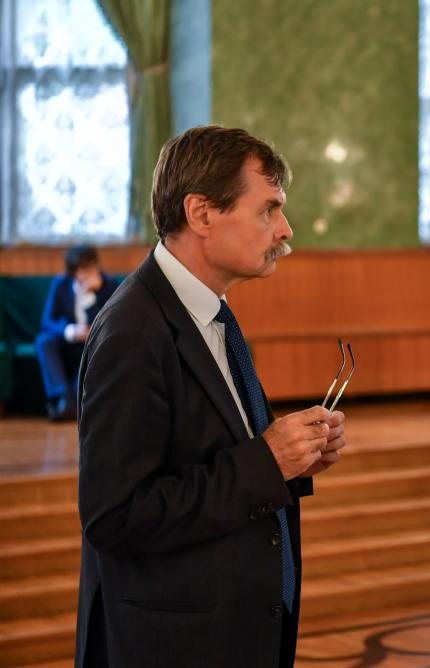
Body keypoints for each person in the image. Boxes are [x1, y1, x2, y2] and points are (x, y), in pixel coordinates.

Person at [74, 126, 347, 668]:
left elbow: (214, 453)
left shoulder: (210, 312)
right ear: (201, 213)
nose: (285, 229)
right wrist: (268, 460)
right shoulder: (133, 332)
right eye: (268, 210)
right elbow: (116, 516)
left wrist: (294, 460)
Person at [35, 245, 117, 420]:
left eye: (91, 267)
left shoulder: (109, 285)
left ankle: (71, 401)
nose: (88, 273)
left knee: (101, 345)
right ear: (73, 272)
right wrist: (70, 331)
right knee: (44, 341)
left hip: (94, 342)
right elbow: (46, 321)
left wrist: (92, 298)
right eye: (82, 269)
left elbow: (111, 322)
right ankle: (64, 398)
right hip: (68, 341)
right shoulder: (61, 283)